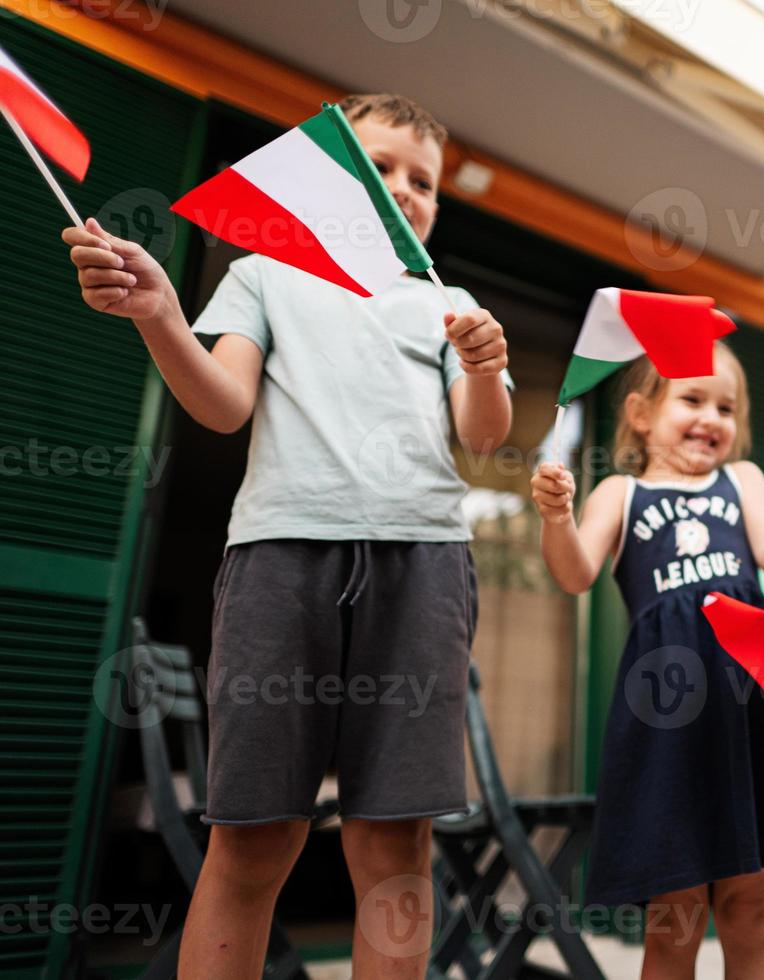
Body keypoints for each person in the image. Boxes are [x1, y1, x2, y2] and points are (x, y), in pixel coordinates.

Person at [63, 93, 512, 979]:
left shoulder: (445, 302)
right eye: (379, 168)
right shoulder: (264, 273)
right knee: (255, 837)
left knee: (396, 845)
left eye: (422, 181)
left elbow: (485, 435)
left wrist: (488, 368)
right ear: (330, 183)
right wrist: (159, 312)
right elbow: (222, 406)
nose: (403, 191)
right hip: (281, 558)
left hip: (423, 563)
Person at [530, 345, 764, 980]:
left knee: (749, 909)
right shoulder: (619, 492)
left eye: (727, 407)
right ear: (639, 413)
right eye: (692, 400)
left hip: (748, 714)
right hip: (667, 722)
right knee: (674, 917)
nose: (711, 418)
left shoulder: (744, 481)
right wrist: (555, 516)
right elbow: (574, 574)